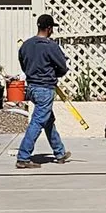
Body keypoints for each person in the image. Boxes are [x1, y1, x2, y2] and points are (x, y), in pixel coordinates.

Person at [15, 14, 72, 169]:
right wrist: (54, 74)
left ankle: (60, 153)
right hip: (45, 89)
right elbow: (63, 67)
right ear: (49, 28)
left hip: (31, 88)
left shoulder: (26, 45)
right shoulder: (51, 46)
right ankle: (23, 157)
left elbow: (23, 64)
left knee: (48, 120)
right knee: (38, 122)